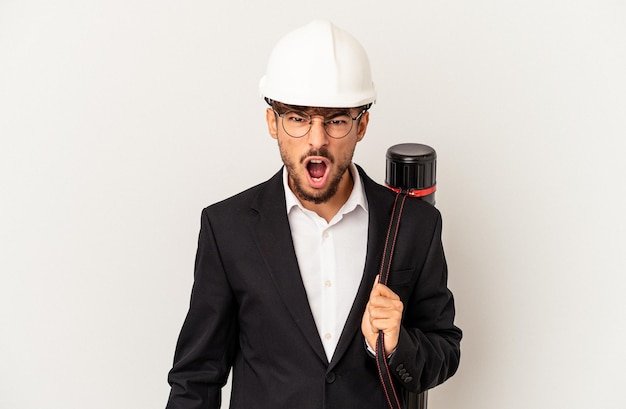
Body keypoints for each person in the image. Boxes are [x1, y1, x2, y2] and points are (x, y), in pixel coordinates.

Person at [166, 20, 461, 409]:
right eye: (298, 118)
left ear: (362, 125)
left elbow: (444, 351)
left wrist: (395, 345)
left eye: (337, 120)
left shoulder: (413, 226)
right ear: (273, 123)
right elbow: (196, 377)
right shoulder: (228, 229)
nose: (317, 139)